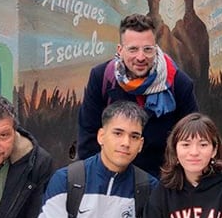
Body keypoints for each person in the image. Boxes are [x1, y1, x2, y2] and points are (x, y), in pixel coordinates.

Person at [77, 13, 198, 176]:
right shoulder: (102, 78)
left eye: (147, 49)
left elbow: (192, 137)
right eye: (133, 49)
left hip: (161, 179)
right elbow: (89, 137)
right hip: (112, 175)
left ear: (156, 48)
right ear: (120, 50)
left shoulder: (178, 83)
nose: (140, 57)